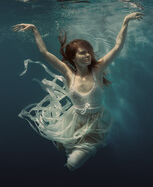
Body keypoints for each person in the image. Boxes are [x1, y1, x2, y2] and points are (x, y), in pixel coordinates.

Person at [13, 12, 143, 171]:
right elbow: (45, 54)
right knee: (61, 147)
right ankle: (70, 142)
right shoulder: (69, 74)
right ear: (73, 57)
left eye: (89, 51)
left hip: (95, 124)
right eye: (83, 52)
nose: (88, 55)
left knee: (72, 165)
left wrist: (125, 21)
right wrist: (34, 29)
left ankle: (88, 146)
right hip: (73, 121)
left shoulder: (98, 69)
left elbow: (117, 46)